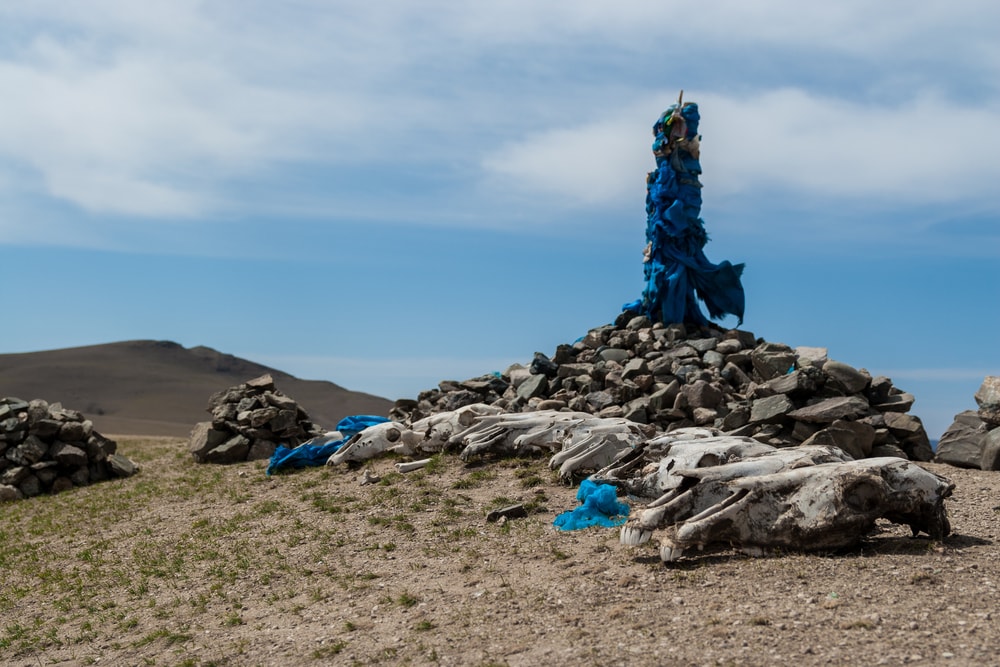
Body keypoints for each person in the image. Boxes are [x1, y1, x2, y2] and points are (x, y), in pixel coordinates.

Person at [623, 96, 745, 328]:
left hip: (680, 203)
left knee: (675, 253)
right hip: (671, 205)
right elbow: (661, 149)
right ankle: (665, 312)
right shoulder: (667, 155)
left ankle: (673, 315)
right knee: (668, 254)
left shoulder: (685, 153)